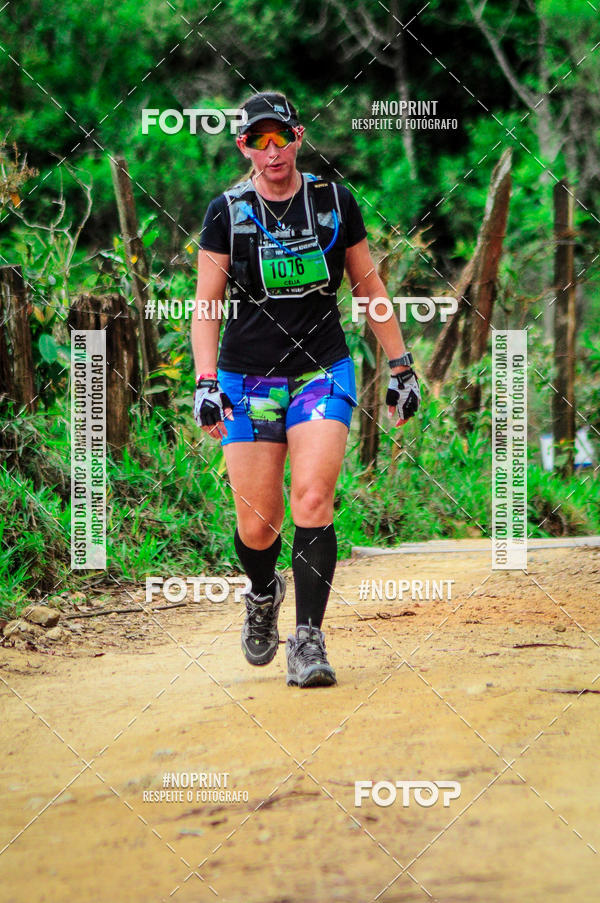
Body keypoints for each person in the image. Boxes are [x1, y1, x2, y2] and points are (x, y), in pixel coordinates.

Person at [192, 91, 420, 688]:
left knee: (313, 499)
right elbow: (205, 307)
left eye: (280, 137)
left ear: (298, 136)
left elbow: (368, 286)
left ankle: (309, 639)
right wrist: (205, 382)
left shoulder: (332, 200)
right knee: (258, 526)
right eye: (256, 141)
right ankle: (263, 592)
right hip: (248, 378)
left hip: (320, 370)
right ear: (242, 146)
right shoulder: (227, 212)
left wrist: (401, 367)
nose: (272, 151)